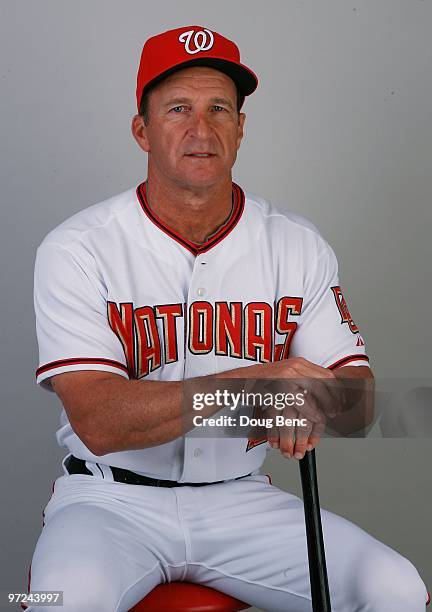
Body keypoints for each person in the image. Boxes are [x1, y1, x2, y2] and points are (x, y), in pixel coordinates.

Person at [27, 25, 428, 612]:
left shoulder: (295, 243)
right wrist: (252, 390)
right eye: (178, 109)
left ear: (241, 128)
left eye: (220, 108)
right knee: (58, 602)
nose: (201, 128)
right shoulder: (78, 247)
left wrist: (314, 399)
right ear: (142, 130)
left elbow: (357, 404)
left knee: (397, 588)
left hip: (240, 500)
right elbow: (100, 419)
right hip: (107, 503)